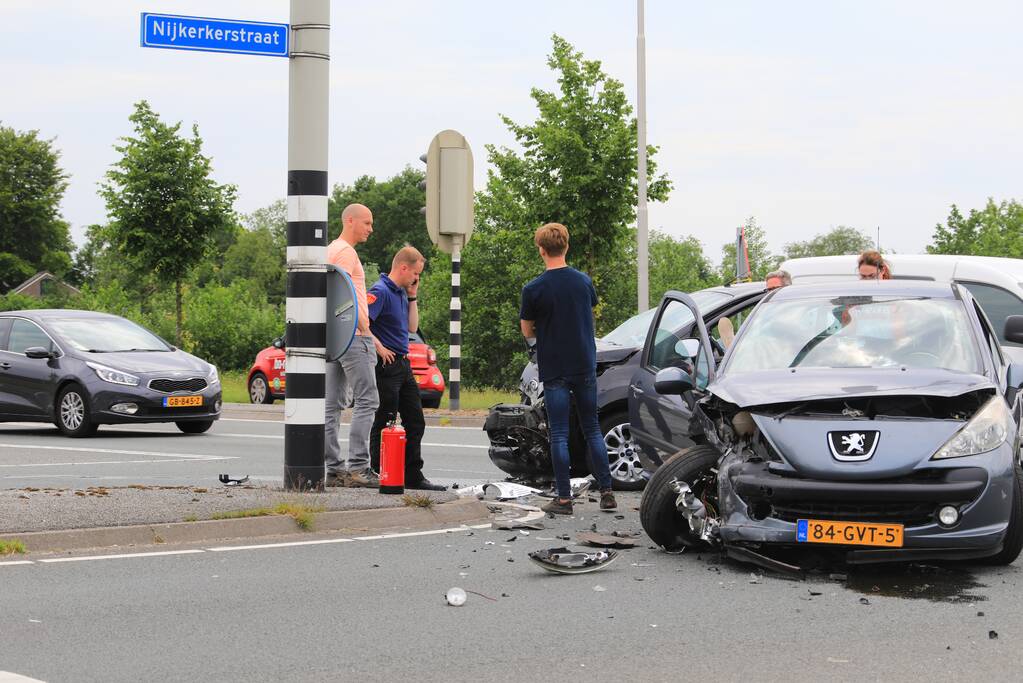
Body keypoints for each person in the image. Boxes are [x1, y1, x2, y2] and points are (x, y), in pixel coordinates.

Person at [520, 223, 617, 515]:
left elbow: (527, 331)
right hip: (584, 363)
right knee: (592, 429)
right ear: (567, 246)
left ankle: (564, 499)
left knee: (559, 433)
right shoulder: (583, 281)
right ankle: (608, 492)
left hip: (554, 367)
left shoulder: (533, 289)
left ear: (541, 250)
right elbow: (587, 312)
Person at [367, 245, 445, 491]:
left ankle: (413, 474)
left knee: (415, 420)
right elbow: (361, 325)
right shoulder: (380, 291)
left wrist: (413, 296)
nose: (416, 279)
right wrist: (379, 347)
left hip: (403, 362)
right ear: (403, 268)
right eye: (415, 274)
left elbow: (412, 328)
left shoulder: (402, 293)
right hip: (386, 364)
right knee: (386, 418)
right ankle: (381, 470)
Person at [324, 204, 381, 488]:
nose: (371, 229)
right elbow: (341, 292)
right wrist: (364, 327)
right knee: (368, 400)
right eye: (367, 223)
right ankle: (359, 467)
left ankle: (334, 469)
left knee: (332, 404)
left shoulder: (330, 249)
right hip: (353, 336)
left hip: (334, 336)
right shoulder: (346, 252)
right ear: (350, 220)